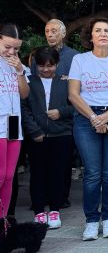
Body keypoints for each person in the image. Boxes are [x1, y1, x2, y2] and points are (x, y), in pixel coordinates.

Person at [68, 18, 108, 240]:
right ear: (91, 36)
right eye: (98, 30)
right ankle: (92, 221)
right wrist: (95, 118)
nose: (103, 34)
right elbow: (73, 94)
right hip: (87, 117)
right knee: (93, 172)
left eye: (107, 30)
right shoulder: (80, 60)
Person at [21, 47, 74, 228]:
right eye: (41, 66)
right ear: (36, 65)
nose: (45, 69)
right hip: (37, 136)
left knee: (57, 174)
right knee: (37, 174)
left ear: (57, 65)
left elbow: (76, 106)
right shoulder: (28, 81)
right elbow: (24, 108)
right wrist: (34, 131)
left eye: (50, 66)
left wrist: (61, 112)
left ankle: (54, 210)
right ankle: (38, 211)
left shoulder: (66, 82)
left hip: (62, 135)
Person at [0, 23, 30, 217]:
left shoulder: (19, 65)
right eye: (7, 47)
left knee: (10, 177)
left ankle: (3, 221)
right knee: (0, 176)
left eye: (16, 49)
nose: (11, 52)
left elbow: (24, 94)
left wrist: (19, 71)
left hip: (13, 125)